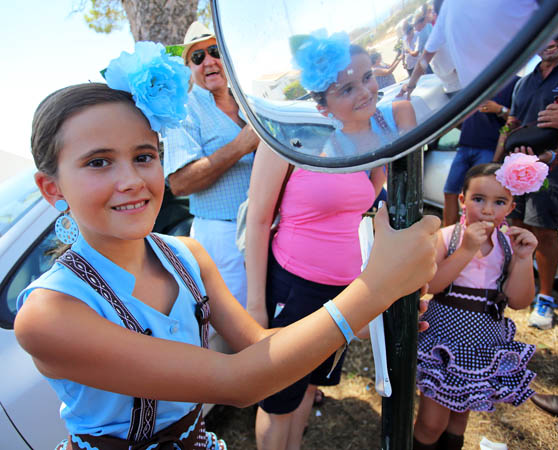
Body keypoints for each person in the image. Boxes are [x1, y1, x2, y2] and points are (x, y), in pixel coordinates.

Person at [14, 42, 440, 450]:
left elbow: (262, 350)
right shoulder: (48, 313)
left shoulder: (187, 256)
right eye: (99, 162)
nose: (131, 180)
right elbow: (238, 382)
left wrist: (371, 319)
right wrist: (375, 289)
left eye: (144, 156)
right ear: (52, 188)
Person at [246, 31, 417, 450]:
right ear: (321, 102)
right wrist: (254, 306)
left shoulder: (380, 130)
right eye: (347, 87)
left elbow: (371, 203)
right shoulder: (290, 139)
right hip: (293, 285)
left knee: (307, 387)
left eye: (367, 77)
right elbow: (258, 219)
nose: (365, 91)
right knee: (277, 397)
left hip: (342, 289)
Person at [413, 159, 544, 450]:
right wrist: (467, 250)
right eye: (479, 199)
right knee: (431, 422)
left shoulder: (509, 245)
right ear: (462, 200)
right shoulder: (448, 237)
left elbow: (520, 301)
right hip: (444, 340)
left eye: (499, 202)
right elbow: (430, 286)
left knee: (458, 421)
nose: (487, 210)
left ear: (511, 208)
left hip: (483, 345)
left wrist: (524, 259)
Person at [162, 21, 258, 308]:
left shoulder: (248, 102)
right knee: (236, 321)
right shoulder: (184, 112)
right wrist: (241, 146)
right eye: (198, 56)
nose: (209, 61)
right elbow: (180, 183)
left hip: (266, 228)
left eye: (215, 51)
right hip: (223, 234)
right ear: (190, 68)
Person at [493, 28, 558, 330]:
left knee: (545, 232)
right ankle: (520, 288)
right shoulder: (522, 83)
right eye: (543, 36)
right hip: (516, 168)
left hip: (554, 170)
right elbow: (511, 126)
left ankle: (546, 299)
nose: (550, 41)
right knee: (517, 228)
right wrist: (495, 163)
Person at [399, 0, 538, 98]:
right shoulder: (448, 9)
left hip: (479, 89)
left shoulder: (448, 9)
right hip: (493, 82)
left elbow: (423, 60)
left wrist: (411, 86)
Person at [442, 76, 519, 226]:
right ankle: (449, 237)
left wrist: (499, 109)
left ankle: (480, 240)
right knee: (450, 192)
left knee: (484, 197)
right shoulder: (473, 78)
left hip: (489, 148)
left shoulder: (515, 82)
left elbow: (517, 120)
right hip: (464, 146)